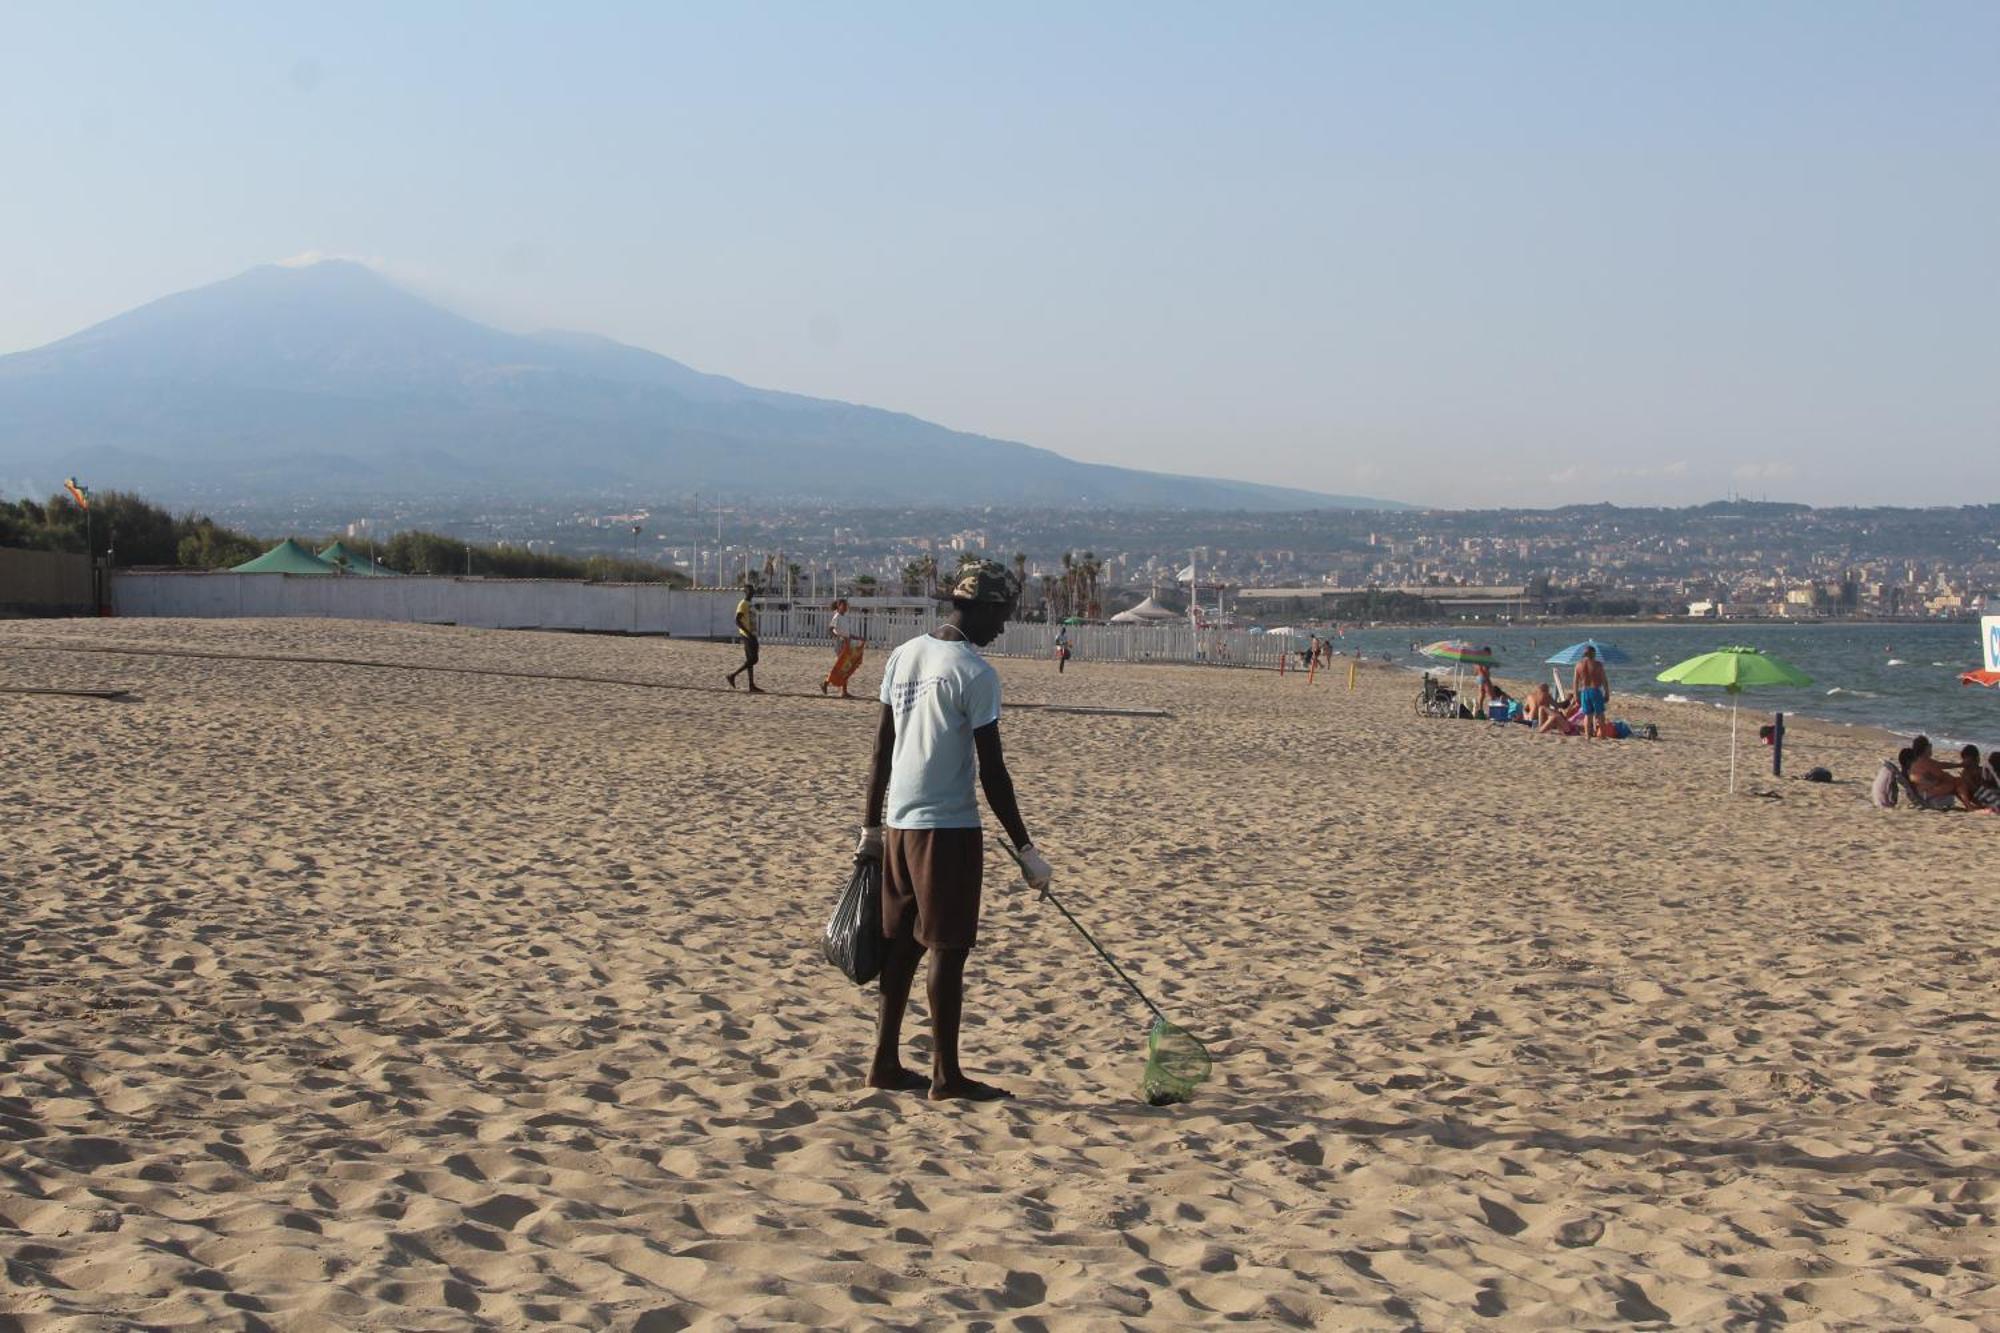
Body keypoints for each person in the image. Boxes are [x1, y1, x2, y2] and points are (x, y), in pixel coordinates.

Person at [856, 561, 1052, 1101]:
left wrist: (870, 828)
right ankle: (947, 1076)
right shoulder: (975, 671)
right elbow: (994, 771)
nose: (1004, 627)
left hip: (899, 822)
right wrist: (1026, 848)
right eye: (1004, 615)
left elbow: (880, 750)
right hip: (947, 829)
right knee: (947, 947)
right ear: (985, 608)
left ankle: (884, 1063)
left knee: (900, 947)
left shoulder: (905, 654)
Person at [724, 581, 763, 693]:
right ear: (745, 592)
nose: (751, 592)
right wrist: (749, 633)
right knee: (754, 659)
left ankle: (751, 685)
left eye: (752, 590)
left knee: (750, 660)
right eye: (749, 590)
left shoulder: (750, 604)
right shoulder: (743, 604)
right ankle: (732, 675)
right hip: (747, 635)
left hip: (752, 634)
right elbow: (737, 620)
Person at [822, 597, 864, 698]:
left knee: (846, 666)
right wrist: (840, 637)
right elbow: (830, 630)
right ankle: (827, 683)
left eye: (846, 606)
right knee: (842, 666)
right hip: (840, 644)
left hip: (847, 644)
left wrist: (858, 637)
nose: (846, 608)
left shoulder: (844, 617)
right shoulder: (837, 616)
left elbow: (847, 634)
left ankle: (842, 691)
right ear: (839, 606)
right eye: (844, 606)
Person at [1571, 646, 1610, 739]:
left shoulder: (1578, 665)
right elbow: (1604, 680)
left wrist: (1576, 695)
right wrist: (1607, 692)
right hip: (1595, 691)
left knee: (1587, 715)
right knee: (1600, 714)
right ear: (1592, 653)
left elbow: (1575, 682)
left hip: (1584, 691)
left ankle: (1587, 736)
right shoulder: (1598, 664)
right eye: (1595, 653)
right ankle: (1603, 736)